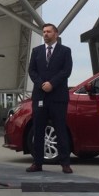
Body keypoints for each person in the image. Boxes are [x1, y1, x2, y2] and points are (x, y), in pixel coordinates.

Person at [26, 23, 73, 174]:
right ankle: (37, 163)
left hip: (58, 97)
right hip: (40, 96)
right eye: (44, 32)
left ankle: (65, 163)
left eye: (48, 31)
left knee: (60, 130)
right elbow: (32, 71)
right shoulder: (36, 51)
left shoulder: (65, 51)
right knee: (38, 130)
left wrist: (52, 84)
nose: (45, 34)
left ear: (56, 34)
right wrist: (42, 84)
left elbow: (66, 71)